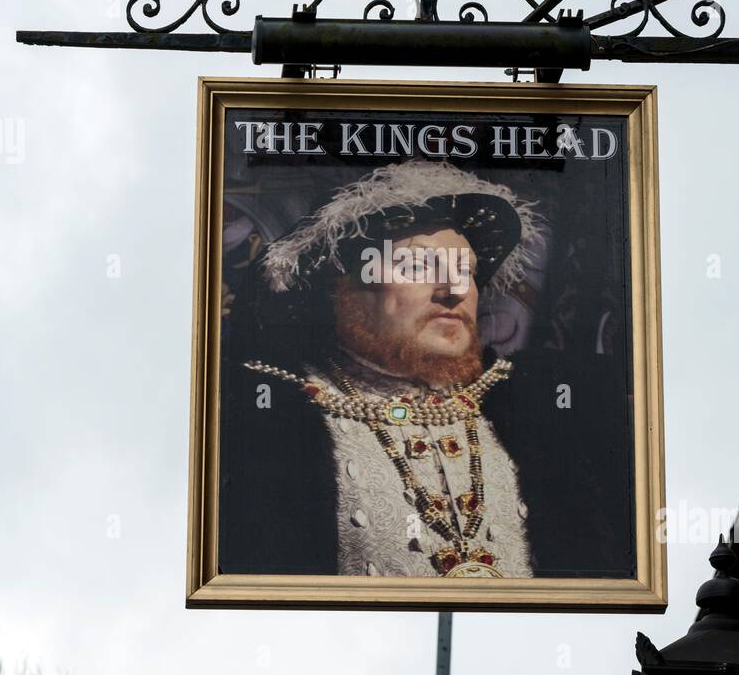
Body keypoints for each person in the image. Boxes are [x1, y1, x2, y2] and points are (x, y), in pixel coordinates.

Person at [218, 159, 631, 580]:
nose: (454, 290)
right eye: (417, 266)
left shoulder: (545, 405)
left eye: (466, 271)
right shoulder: (258, 412)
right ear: (341, 287)